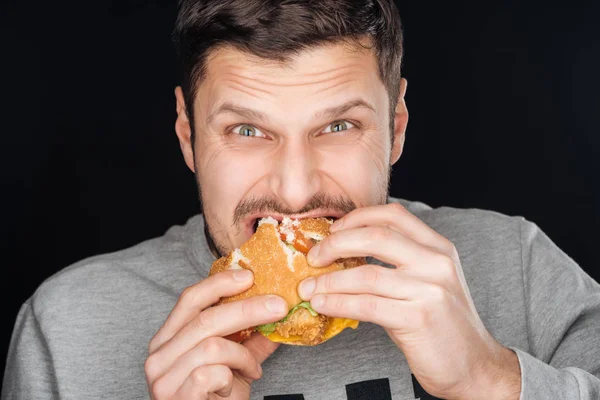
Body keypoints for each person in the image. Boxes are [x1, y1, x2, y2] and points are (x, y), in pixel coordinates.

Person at [3, 0, 600, 399]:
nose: (293, 192)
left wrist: (492, 379)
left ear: (395, 127)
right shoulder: (67, 325)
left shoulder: (516, 266)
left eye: (338, 127)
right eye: (247, 130)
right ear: (188, 134)